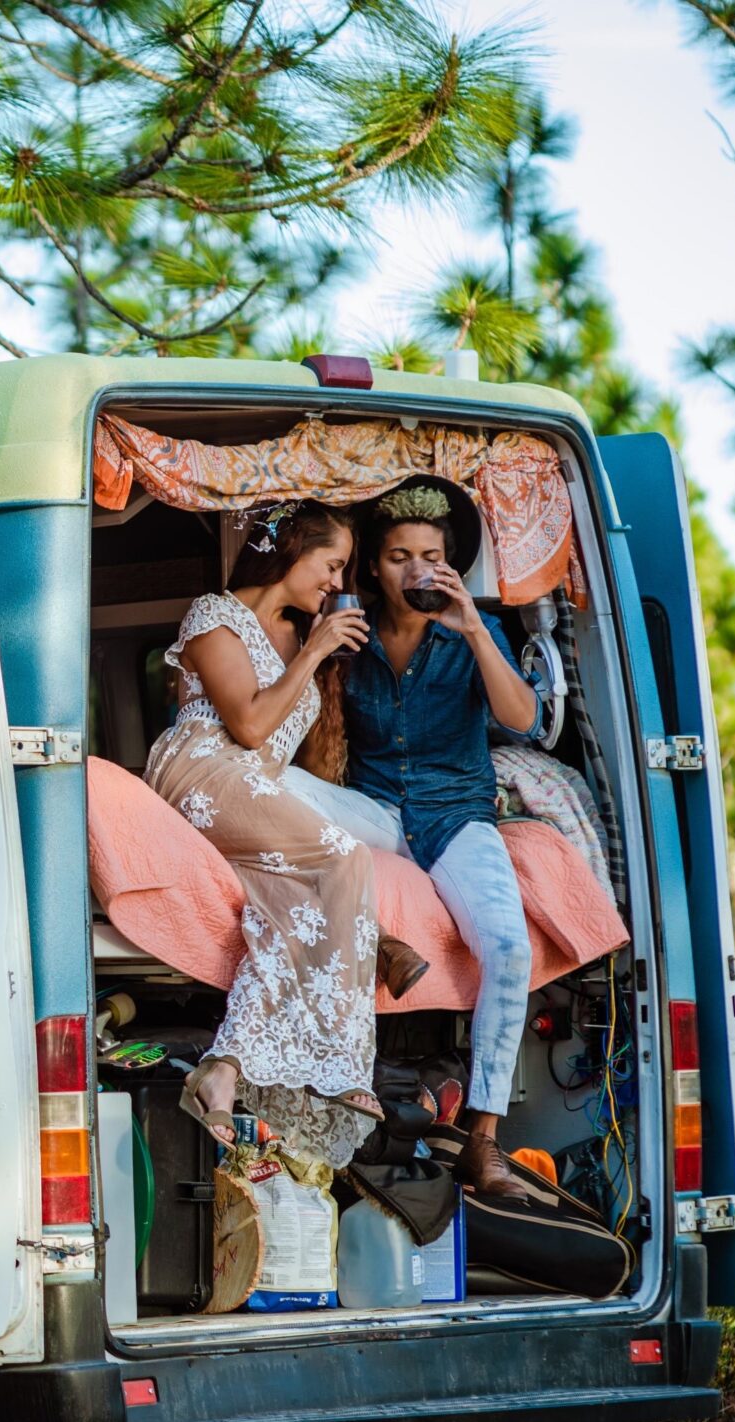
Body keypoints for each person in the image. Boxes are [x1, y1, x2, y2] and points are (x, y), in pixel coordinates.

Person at [145, 501, 417, 1166]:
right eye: (330, 564)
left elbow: (280, 750)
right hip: (203, 770)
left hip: (252, 787)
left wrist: (320, 651)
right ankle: (345, 1063)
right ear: (291, 549)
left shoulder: (296, 641)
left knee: (292, 915)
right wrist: (319, 647)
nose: (334, 580)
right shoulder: (215, 616)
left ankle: (225, 1067)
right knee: (346, 857)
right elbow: (248, 725)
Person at [336, 478, 546, 1200]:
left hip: (456, 816)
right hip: (376, 811)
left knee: (509, 947)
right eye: (398, 556)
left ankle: (482, 1142)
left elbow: (520, 718)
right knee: (288, 800)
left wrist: (476, 627)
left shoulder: (468, 635)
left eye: (430, 555)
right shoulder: (349, 633)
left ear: (449, 564)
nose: (415, 570)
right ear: (372, 565)